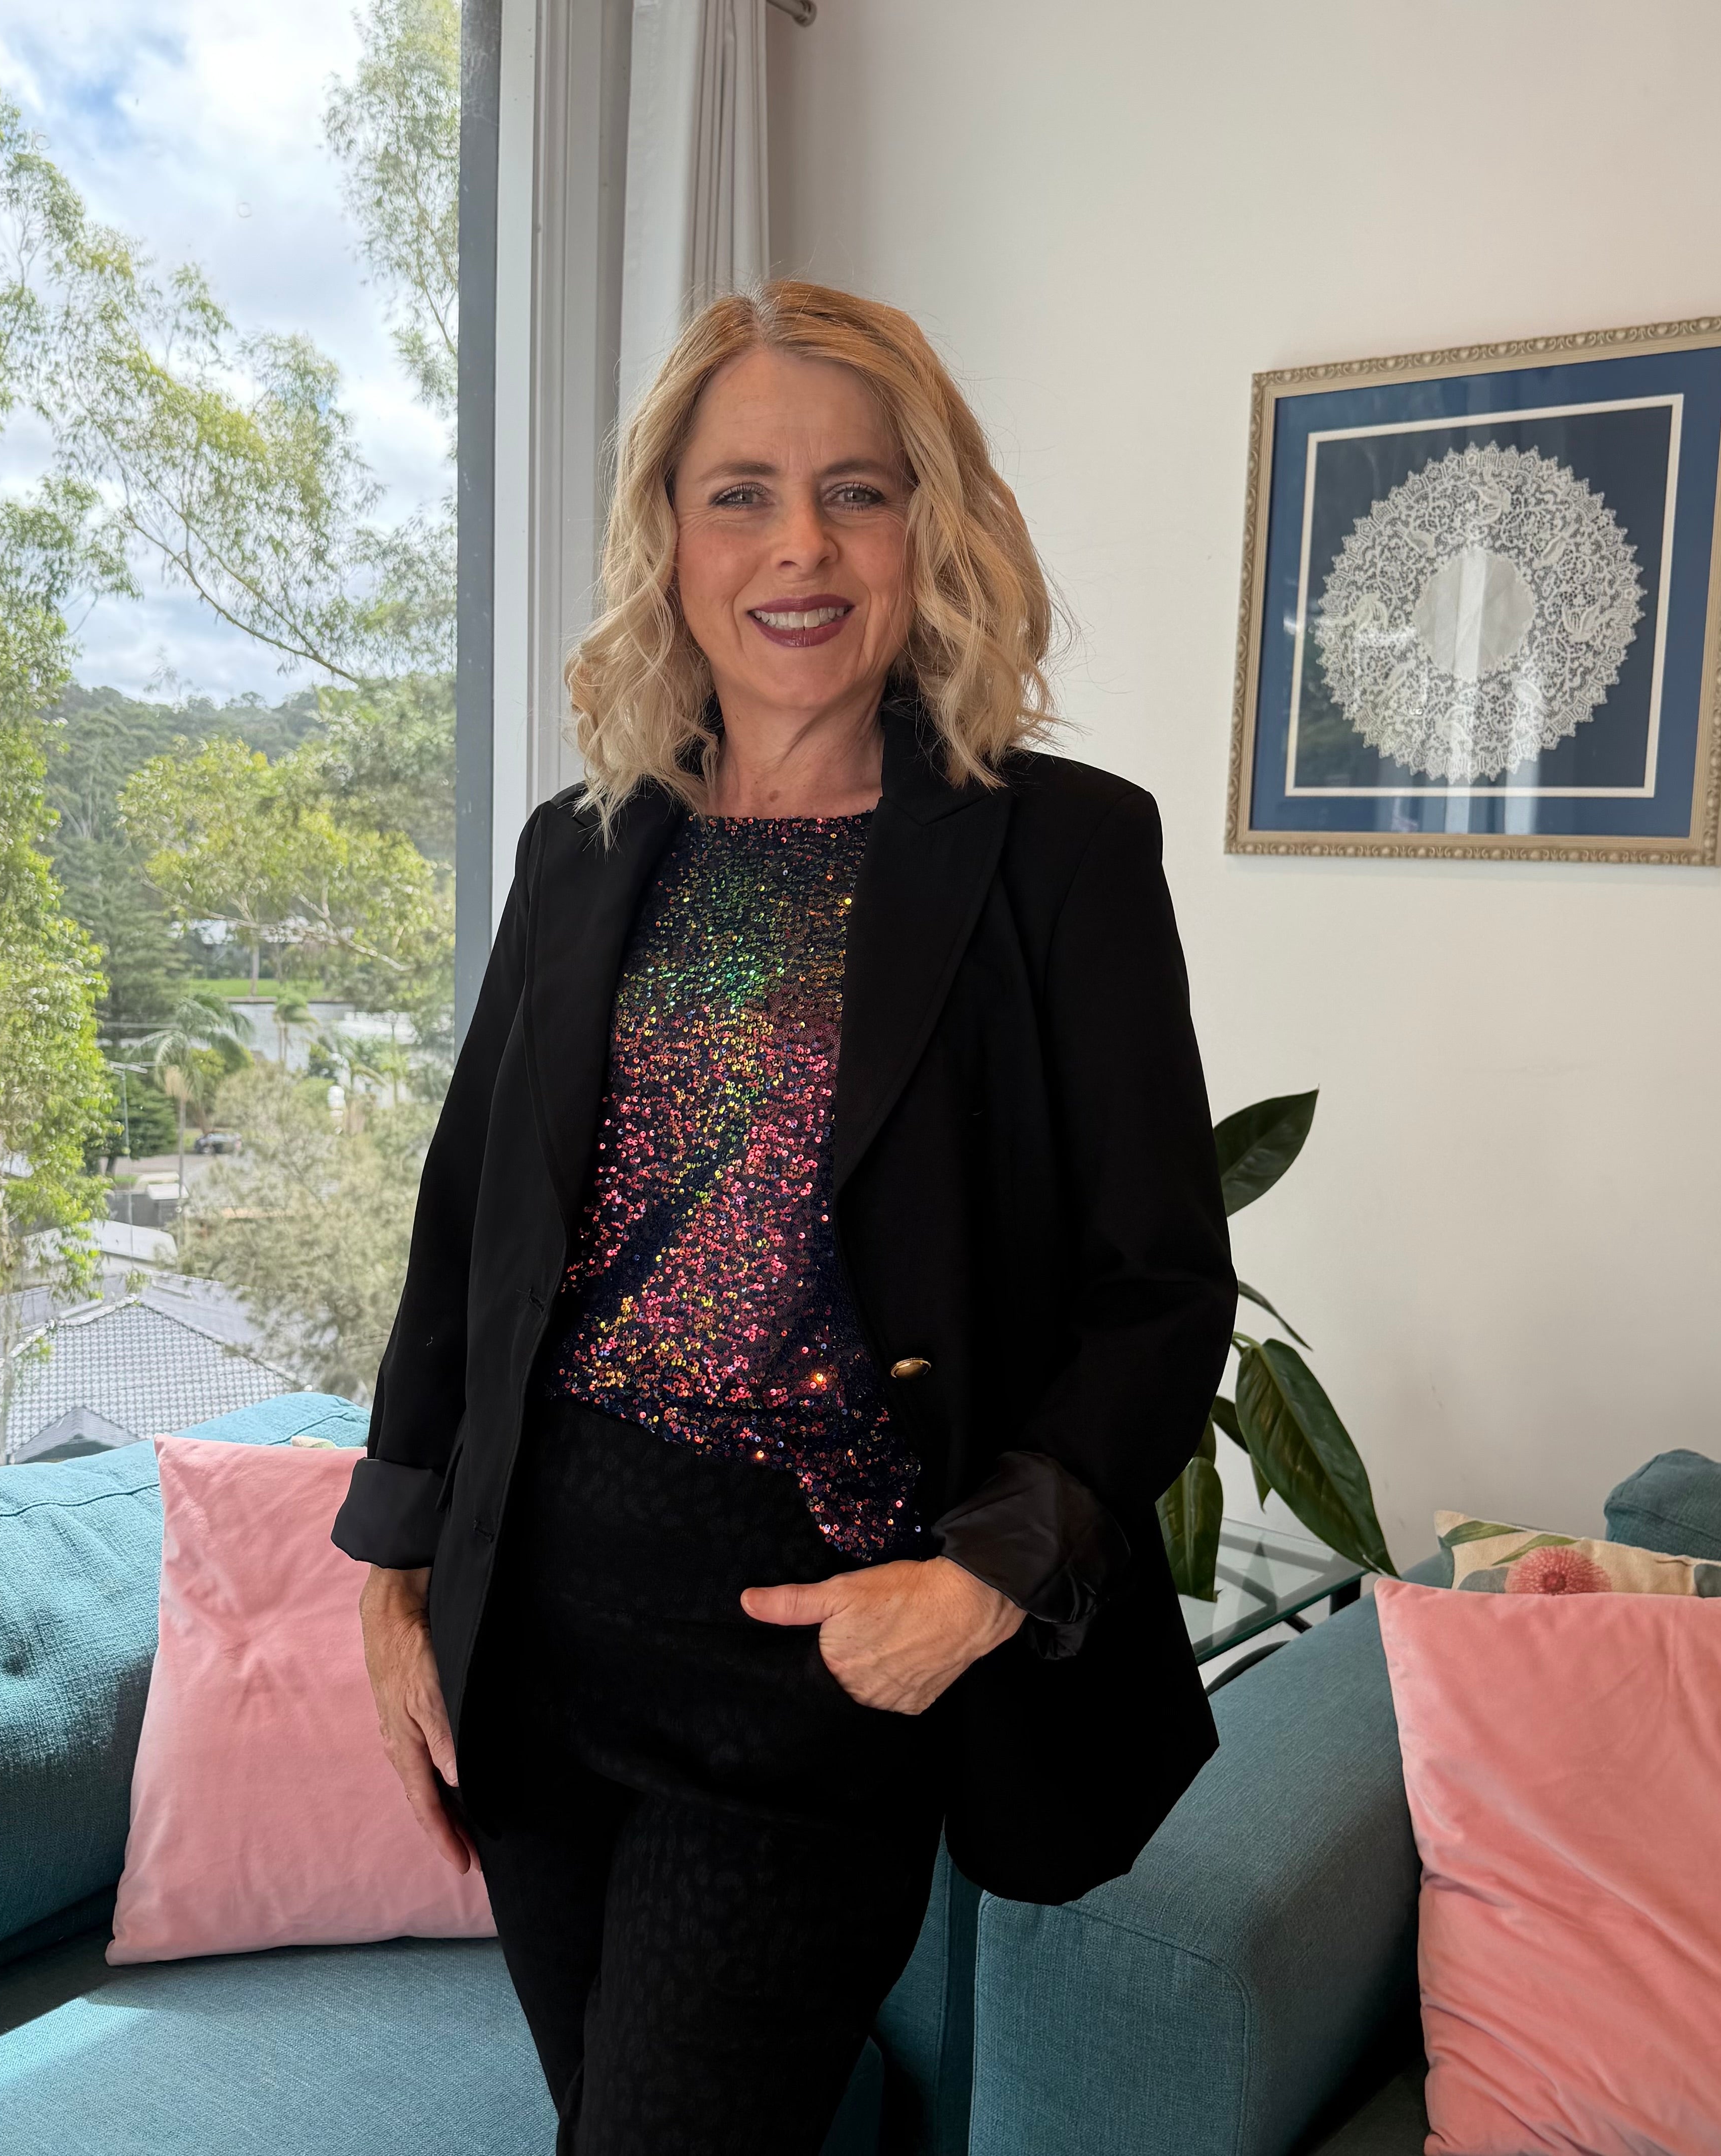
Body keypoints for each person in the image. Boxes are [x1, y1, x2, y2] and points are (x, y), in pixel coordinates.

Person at [331, 280, 1236, 2156]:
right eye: (740, 492)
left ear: (935, 528)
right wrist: (400, 1557)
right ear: (668, 535)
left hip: (812, 1665)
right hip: (542, 1638)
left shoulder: (1061, 850)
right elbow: (468, 1228)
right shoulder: (578, 847)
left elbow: (1156, 1290)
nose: (800, 547)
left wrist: (980, 1574)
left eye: (859, 492)